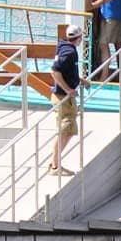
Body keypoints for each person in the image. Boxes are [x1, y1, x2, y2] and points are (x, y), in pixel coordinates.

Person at [46, 24, 83, 174]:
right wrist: (68, 90)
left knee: (69, 130)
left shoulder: (63, 47)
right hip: (63, 97)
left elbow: (65, 71)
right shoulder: (69, 52)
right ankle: (55, 165)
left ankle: (55, 163)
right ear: (79, 38)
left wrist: (80, 79)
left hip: (64, 96)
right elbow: (55, 71)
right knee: (65, 131)